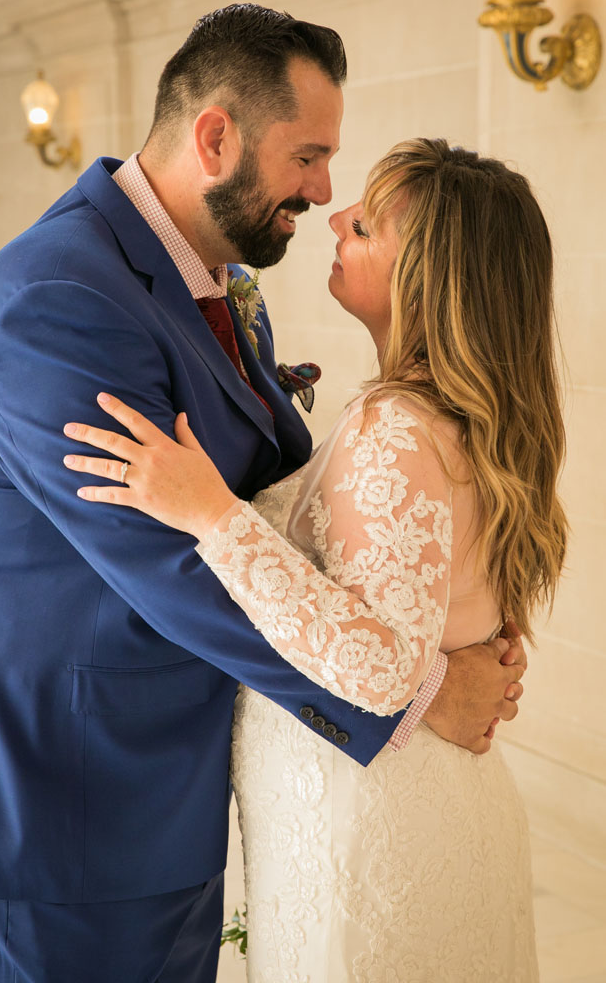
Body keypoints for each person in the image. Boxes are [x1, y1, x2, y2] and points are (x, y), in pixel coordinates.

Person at [0, 0, 524, 981]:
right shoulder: (63, 300)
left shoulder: (206, 278)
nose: (325, 189)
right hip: (67, 804)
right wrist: (419, 693)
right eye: (308, 155)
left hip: (171, 786)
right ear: (215, 135)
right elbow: (172, 567)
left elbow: (250, 492)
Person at [64, 137, 567, 981]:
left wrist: (211, 514)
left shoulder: (398, 429)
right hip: (431, 799)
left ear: (426, 278)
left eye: (366, 224)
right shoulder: (468, 421)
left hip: (370, 819)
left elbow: (377, 667)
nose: (334, 216)